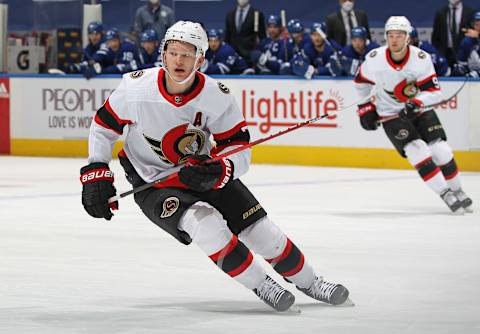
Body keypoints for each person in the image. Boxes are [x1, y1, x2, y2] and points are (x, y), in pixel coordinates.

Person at [79, 20, 351, 312]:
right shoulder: (136, 87)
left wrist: (219, 170)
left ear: (201, 59)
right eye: (173, 52)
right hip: (154, 181)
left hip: (204, 174)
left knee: (262, 232)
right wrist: (96, 172)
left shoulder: (216, 96)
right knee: (204, 223)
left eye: (188, 53)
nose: (179, 59)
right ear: (163, 54)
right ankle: (262, 284)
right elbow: (103, 127)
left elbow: (239, 150)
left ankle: (311, 281)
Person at [353, 16, 473, 214]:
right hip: (390, 113)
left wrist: (417, 103)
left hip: (419, 109)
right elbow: (360, 83)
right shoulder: (375, 59)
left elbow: (435, 93)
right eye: (390, 35)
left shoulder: (421, 60)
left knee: (441, 150)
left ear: (408, 37)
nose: (394, 39)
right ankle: (445, 193)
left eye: (399, 35)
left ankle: (458, 190)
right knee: (417, 149)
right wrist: (365, 107)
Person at [431, 0, 475, 67]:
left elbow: (474, 36)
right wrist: (440, 54)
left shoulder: (470, 13)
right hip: (445, 56)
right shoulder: (441, 13)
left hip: (465, 56)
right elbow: (435, 38)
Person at [455, 11, 480, 77]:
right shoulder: (467, 41)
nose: (478, 23)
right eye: (476, 21)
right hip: (473, 74)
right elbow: (462, 62)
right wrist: (461, 69)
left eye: (479, 21)